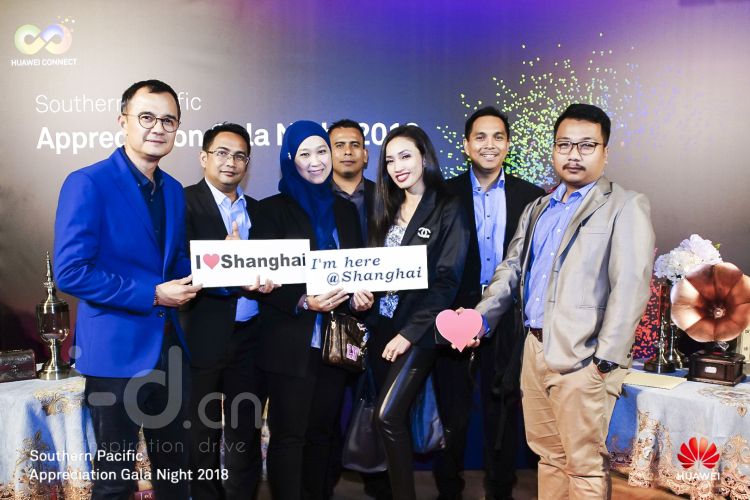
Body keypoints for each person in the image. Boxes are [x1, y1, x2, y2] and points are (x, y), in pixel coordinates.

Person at [471, 103, 655, 499]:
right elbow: (511, 270)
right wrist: (479, 319)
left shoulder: (624, 205)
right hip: (534, 350)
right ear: (553, 150)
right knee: (548, 457)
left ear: (605, 152)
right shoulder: (539, 207)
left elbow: (631, 285)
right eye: (564, 145)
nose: (574, 154)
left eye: (586, 145)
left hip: (584, 358)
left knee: (584, 466)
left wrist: (605, 360)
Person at [53, 79, 201, 499]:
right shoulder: (88, 182)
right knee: (115, 480)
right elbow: (72, 272)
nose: (158, 128)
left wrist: (221, 264)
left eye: (169, 120)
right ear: (123, 121)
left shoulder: (173, 190)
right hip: (114, 357)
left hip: (170, 352)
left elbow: (174, 265)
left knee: (176, 476)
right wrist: (152, 294)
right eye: (147, 117)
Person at [251, 120, 374, 500]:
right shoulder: (271, 211)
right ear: (291, 159)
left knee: (323, 433)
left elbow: (354, 269)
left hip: (335, 343)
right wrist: (304, 300)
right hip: (291, 341)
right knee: (290, 435)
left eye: (322, 151)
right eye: (305, 154)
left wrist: (360, 296)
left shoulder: (345, 210)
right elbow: (263, 280)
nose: (317, 161)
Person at [435, 107, 545, 500]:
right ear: (466, 145)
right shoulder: (443, 194)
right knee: (453, 410)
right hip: (453, 315)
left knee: (504, 409)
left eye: (498, 137)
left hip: (507, 318)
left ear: (508, 144)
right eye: (480, 137)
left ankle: (500, 489)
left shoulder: (532, 198)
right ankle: (448, 489)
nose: (489, 144)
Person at [368, 125, 470, 500]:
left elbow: (447, 281)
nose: (398, 167)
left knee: (387, 415)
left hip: (420, 333)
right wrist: (363, 292)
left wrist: (409, 333)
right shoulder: (385, 206)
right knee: (388, 420)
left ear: (424, 157)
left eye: (405, 156)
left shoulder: (448, 206)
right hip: (381, 327)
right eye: (390, 160)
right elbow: (373, 267)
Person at [181, 122, 275, 499]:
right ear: (203, 157)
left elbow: (271, 267)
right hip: (201, 336)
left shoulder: (260, 212)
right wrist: (226, 262)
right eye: (222, 153)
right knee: (201, 433)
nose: (230, 162)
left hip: (251, 338)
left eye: (239, 156)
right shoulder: (182, 204)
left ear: (247, 164)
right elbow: (175, 266)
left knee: (245, 431)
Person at [328, 119, 375, 241]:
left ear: (365, 155)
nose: (348, 151)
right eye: (339, 145)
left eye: (355, 145)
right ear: (327, 154)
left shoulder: (386, 197)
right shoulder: (316, 198)